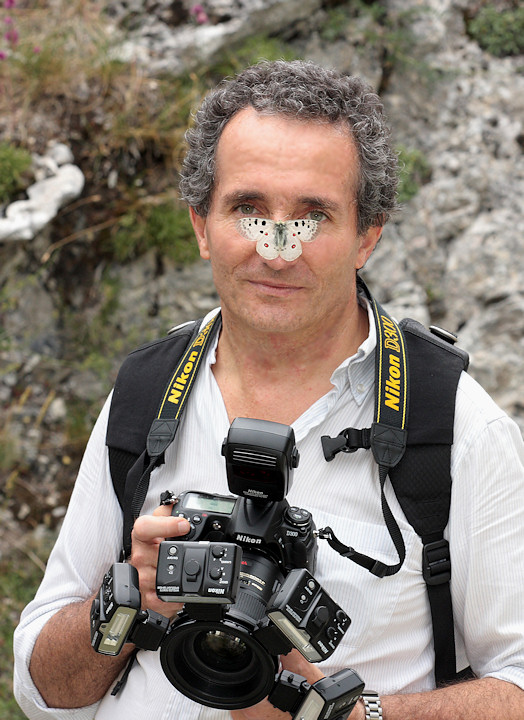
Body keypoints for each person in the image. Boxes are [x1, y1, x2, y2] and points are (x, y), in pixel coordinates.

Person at [13, 60, 524, 720]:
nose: (278, 250)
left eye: (312, 216)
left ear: (367, 235)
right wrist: (132, 594)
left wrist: (353, 715)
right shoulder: (147, 393)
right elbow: (42, 689)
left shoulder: (453, 425)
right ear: (201, 226)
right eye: (248, 210)